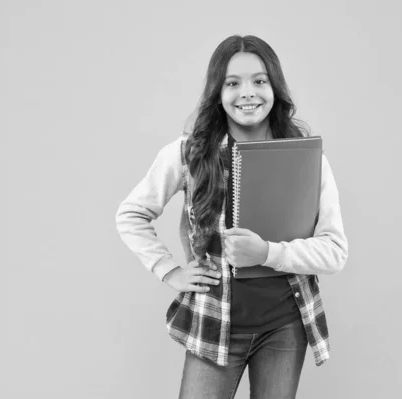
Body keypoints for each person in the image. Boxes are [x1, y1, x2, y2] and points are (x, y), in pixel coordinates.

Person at [115, 34, 348, 399]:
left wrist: (267, 254)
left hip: (284, 328)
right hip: (215, 323)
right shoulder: (186, 154)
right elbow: (130, 214)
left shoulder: (308, 160)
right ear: (217, 92)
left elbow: (335, 252)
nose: (248, 93)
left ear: (275, 88)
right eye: (233, 83)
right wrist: (169, 271)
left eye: (259, 81)